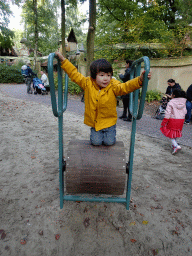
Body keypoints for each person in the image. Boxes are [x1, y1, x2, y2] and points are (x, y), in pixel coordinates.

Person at [55, 51, 151, 146]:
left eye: (108, 75)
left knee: (109, 142)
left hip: (109, 122)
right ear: (94, 76)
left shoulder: (113, 85)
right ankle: (97, 135)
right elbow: (74, 74)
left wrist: (140, 80)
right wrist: (63, 60)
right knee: (96, 142)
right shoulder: (87, 83)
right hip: (95, 123)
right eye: (102, 75)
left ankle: (109, 135)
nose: (106, 78)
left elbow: (125, 87)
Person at [160, 89, 187, 155]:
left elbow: (168, 113)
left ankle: (176, 145)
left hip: (173, 119)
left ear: (174, 95)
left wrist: (164, 122)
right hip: (181, 120)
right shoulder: (184, 102)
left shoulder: (171, 102)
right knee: (176, 132)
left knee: (170, 134)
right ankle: (174, 145)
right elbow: (185, 111)